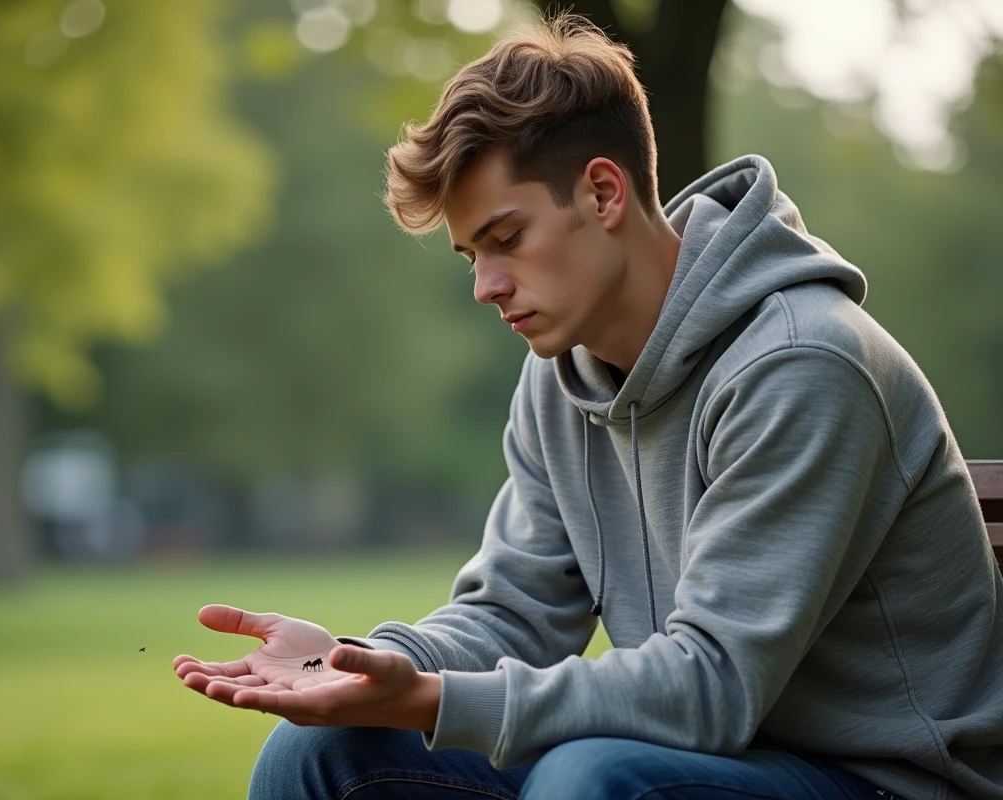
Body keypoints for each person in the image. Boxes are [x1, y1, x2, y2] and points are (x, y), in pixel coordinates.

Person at [173, 14, 1003, 800]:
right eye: (471, 255)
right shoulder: (561, 373)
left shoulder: (802, 363)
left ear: (603, 193)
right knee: (319, 752)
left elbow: (711, 686)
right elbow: (516, 612)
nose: (484, 287)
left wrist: (431, 701)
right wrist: (361, 664)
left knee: (590, 780)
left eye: (506, 239)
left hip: (886, 779)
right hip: (704, 761)